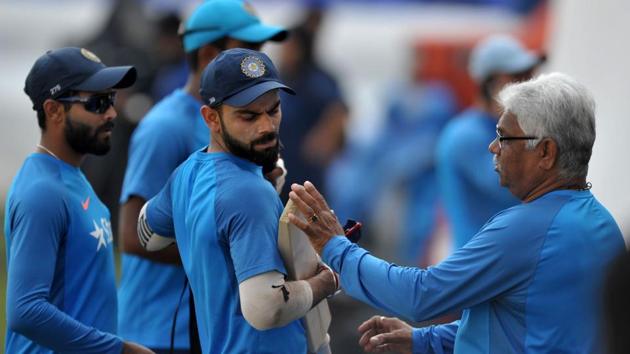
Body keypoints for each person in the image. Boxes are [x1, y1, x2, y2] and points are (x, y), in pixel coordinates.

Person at [287, 72, 625, 353]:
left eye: (504, 137)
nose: (493, 147)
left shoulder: (527, 229)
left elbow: (422, 295)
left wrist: (336, 247)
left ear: (546, 152)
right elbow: (527, 328)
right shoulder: (602, 224)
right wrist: (425, 340)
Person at [136, 48, 339, 354]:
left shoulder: (188, 173)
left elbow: (147, 234)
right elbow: (266, 307)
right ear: (211, 118)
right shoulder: (248, 193)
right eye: (249, 115)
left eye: (273, 110)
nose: (267, 126)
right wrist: (329, 280)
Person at [117, 1, 288, 352]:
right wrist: (230, 257)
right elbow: (131, 235)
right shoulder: (165, 127)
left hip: (202, 327)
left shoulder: (245, 121)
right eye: (249, 49)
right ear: (210, 52)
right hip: (162, 330)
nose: (259, 61)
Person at [4, 47, 152, 353]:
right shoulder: (42, 192)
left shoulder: (71, 177)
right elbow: (26, 310)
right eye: (97, 103)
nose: (111, 113)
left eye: (110, 100)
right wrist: (118, 349)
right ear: (54, 110)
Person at [435, 34, 543, 250]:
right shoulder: (465, 135)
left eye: (529, 76)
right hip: (479, 272)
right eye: (517, 78)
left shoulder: (503, 128)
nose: (528, 87)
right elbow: (521, 186)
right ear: (490, 85)